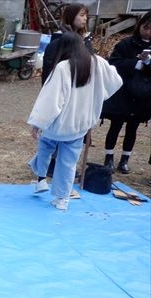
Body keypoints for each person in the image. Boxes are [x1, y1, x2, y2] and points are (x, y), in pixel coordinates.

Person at [27, 31, 122, 211]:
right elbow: (115, 81)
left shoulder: (63, 68)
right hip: (81, 125)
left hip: (58, 125)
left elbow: (51, 99)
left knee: (46, 146)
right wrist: (98, 96)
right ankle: (62, 198)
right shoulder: (98, 63)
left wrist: (38, 123)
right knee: (68, 162)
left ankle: (40, 175)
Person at [40, 3, 94, 177]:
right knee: (57, 126)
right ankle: (50, 163)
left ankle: (65, 165)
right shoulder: (59, 40)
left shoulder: (86, 41)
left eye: (86, 15)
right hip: (62, 91)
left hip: (80, 92)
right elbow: (49, 68)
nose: (84, 19)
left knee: (74, 128)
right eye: (81, 15)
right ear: (71, 16)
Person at [100, 10, 151, 174]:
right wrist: (135, 64)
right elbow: (113, 64)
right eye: (147, 27)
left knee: (133, 128)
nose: (149, 32)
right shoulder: (125, 44)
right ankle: (109, 158)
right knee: (115, 125)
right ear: (140, 26)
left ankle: (125, 160)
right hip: (123, 93)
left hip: (143, 95)